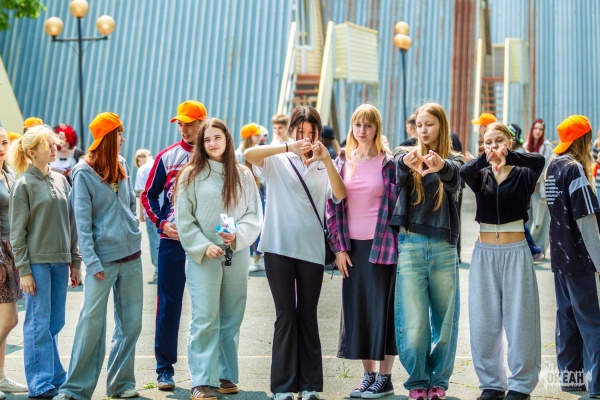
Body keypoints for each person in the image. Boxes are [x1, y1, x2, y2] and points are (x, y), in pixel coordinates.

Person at [244, 106, 346, 400]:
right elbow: (248, 155)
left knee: (307, 315)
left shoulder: (324, 163)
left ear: (318, 133)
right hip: (277, 247)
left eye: (311, 132)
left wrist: (326, 160)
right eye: (300, 131)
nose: (306, 137)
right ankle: (284, 387)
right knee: (285, 314)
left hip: (312, 249)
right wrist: (288, 147)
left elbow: (340, 194)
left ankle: (310, 385)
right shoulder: (278, 158)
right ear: (291, 131)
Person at [55, 112, 143, 400]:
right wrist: (91, 262)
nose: (123, 139)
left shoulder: (122, 163)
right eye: (119, 134)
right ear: (107, 137)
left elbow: (129, 204)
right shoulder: (82, 173)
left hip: (131, 255)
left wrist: (133, 228)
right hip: (101, 260)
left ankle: (121, 384)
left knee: (131, 324)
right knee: (91, 323)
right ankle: (74, 389)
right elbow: (82, 222)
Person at [175, 118, 263, 400]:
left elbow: (254, 214)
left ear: (227, 140)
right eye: (207, 139)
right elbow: (184, 219)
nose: (212, 143)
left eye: (217, 138)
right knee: (205, 317)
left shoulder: (243, 174)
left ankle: (226, 375)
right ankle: (201, 380)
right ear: (201, 144)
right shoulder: (190, 175)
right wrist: (203, 246)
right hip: (203, 256)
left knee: (232, 316)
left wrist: (237, 236)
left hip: (236, 252)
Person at [460, 122, 544, 400]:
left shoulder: (524, 173)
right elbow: (463, 171)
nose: (493, 146)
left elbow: (539, 160)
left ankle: (520, 385)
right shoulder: (480, 175)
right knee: (483, 321)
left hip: (516, 251)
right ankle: (492, 383)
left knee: (520, 320)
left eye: (498, 140)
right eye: (488, 142)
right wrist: (486, 158)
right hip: (484, 253)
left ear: (509, 141)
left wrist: (509, 156)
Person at [390, 102, 463, 400]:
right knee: (414, 319)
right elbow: (395, 171)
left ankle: (439, 382)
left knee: (445, 321)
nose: (423, 130)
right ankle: (418, 381)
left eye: (429, 124)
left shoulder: (454, 160)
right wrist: (406, 164)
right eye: (419, 125)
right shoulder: (405, 155)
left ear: (441, 125)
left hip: (444, 245)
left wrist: (440, 166)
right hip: (411, 243)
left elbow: (455, 177)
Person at [326, 104, 398, 398]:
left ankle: (385, 378)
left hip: (382, 246)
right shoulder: (343, 160)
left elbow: (397, 207)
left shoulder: (388, 163)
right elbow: (332, 207)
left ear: (377, 128)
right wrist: (339, 248)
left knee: (382, 311)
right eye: (358, 124)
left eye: (368, 125)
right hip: (351, 248)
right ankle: (368, 375)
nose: (362, 130)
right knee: (359, 311)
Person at [8, 125, 81, 399]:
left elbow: (71, 224)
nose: (54, 148)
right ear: (31, 152)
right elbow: (17, 234)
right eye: (48, 145)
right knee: (38, 324)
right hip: (36, 265)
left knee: (55, 323)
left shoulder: (62, 180)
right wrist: (24, 271)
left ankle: (55, 375)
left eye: (54, 143)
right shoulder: (23, 185)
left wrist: (76, 261)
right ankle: (40, 384)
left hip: (60, 263)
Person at [141, 100, 207, 390]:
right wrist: (161, 223)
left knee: (209, 307)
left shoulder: (216, 154)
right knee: (169, 304)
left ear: (203, 123)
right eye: (180, 124)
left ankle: (208, 370)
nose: (184, 129)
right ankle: (164, 369)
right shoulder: (167, 157)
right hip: (173, 241)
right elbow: (148, 195)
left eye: (189, 124)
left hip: (207, 242)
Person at [544, 115, 600, 397]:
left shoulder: (553, 165)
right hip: (579, 257)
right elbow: (586, 220)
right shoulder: (575, 169)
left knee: (566, 317)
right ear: (584, 139)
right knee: (591, 321)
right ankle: (597, 383)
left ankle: (571, 378)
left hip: (560, 255)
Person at [0, 128, 27, 399]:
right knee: (9, 319)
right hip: (0, 253)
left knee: (4, 321)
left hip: (12, 251)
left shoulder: (8, 175)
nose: (1, 148)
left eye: (5, 143)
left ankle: (0, 378)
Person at [235, 123, 265, 271]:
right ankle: (251, 259)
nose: (260, 137)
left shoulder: (257, 150)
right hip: (243, 194)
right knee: (247, 224)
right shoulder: (238, 154)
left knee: (260, 223)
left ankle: (257, 258)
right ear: (249, 137)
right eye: (256, 135)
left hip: (259, 190)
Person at [524, 118, 553, 257]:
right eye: (535, 128)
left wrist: (534, 181)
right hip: (527, 187)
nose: (537, 131)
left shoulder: (546, 146)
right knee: (527, 219)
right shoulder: (526, 145)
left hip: (539, 188)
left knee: (539, 221)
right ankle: (530, 249)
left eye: (540, 129)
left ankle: (538, 250)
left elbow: (545, 167)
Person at [134, 148, 159, 281]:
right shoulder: (160, 163)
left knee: (155, 241)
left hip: (151, 211)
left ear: (140, 158)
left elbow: (142, 192)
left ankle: (158, 270)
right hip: (166, 211)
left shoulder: (142, 170)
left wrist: (141, 212)